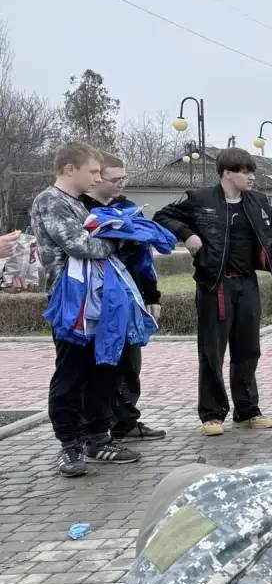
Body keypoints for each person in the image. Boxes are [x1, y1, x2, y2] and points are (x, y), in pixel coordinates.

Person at [155, 147, 272, 436]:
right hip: (214, 283)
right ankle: (212, 414)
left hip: (247, 283)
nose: (251, 177)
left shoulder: (257, 201)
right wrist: (189, 235)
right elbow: (162, 216)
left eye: (251, 171)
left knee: (248, 349)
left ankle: (247, 411)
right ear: (227, 173)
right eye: (245, 172)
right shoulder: (200, 199)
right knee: (212, 351)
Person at [30, 142, 121, 476]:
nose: (97, 178)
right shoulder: (50, 201)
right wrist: (118, 240)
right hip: (69, 301)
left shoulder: (78, 204)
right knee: (71, 373)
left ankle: (99, 437)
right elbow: (81, 246)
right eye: (92, 171)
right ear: (70, 169)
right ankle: (70, 444)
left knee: (101, 369)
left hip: (94, 299)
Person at [81, 154, 165, 444]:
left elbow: (145, 257)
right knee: (99, 364)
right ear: (96, 178)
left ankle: (127, 421)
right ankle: (95, 427)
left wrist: (152, 295)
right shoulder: (80, 209)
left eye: (123, 178)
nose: (120, 184)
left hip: (131, 294)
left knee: (130, 360)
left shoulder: (128, 208)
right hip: (96, 295)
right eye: (114, 179)